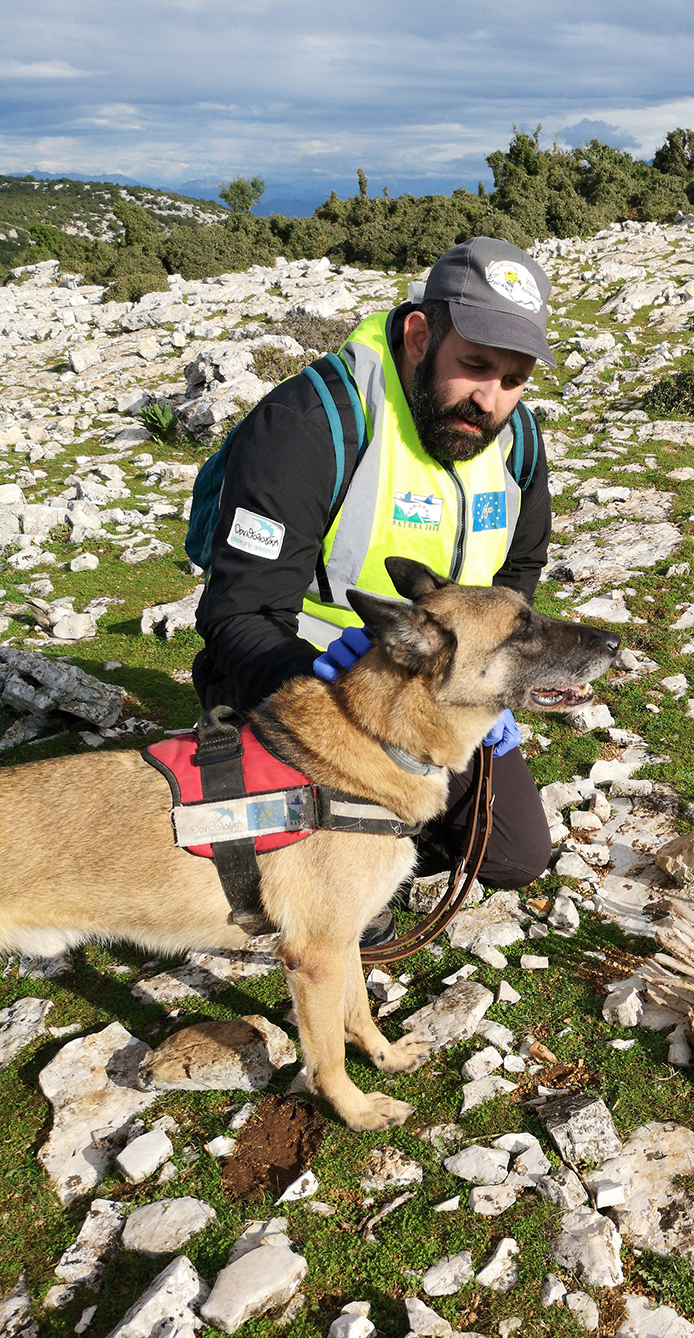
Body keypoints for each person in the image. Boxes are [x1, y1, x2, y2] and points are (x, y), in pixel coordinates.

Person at [191, 238, 557, 943]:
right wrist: (312, 687)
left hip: (440, 691)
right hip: (304, 678)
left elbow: (520, 572)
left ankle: (373, 844)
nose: (490, 401)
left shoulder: (517, 440)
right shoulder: (310, 422)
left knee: (513, 855)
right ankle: (321, 861)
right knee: (325, 896)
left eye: (514, 379)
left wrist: (497, 684)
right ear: (421, 335)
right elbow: (236, 611)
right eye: (474, 367)